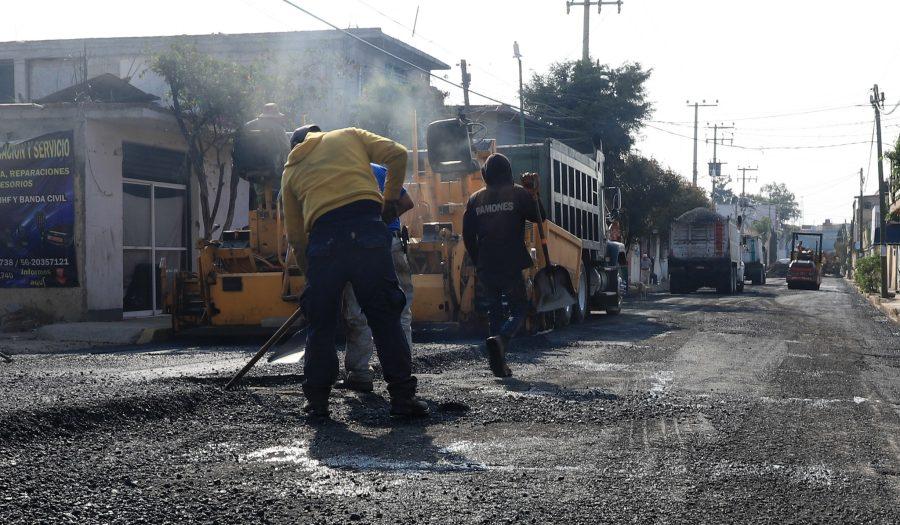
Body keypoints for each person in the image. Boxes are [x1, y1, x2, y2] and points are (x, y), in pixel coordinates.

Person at [281, 125, 428, 418]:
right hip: (368, 232)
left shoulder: (290, 170)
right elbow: (398, 154)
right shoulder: (348, 135)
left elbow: (296, 237)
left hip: (324, 242)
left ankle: (317, 405)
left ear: (295, 146)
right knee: (385, 318)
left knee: (320, 327)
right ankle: (402, 399)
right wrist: (387, 201)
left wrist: (314, 278)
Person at [337, 163, 415, 393]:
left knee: (357, 309)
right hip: (391, 242)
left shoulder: (340, 171)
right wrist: (381, 223)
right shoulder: (380, 171)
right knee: (400, 308)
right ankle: (404, 370)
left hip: (357, 245)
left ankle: (360, 374)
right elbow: (407, 202)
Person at [462, 153, 541, 378]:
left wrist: (478, 259)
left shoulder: (475, 199)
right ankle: (502, 339)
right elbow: (540, 217)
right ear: (508, 172)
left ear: (485, 174)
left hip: (486, 264)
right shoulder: (518, 194)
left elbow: (468, 235)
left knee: (494, 311)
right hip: (511, 262)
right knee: (519, 307)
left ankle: (498, 364)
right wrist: (534, 195)